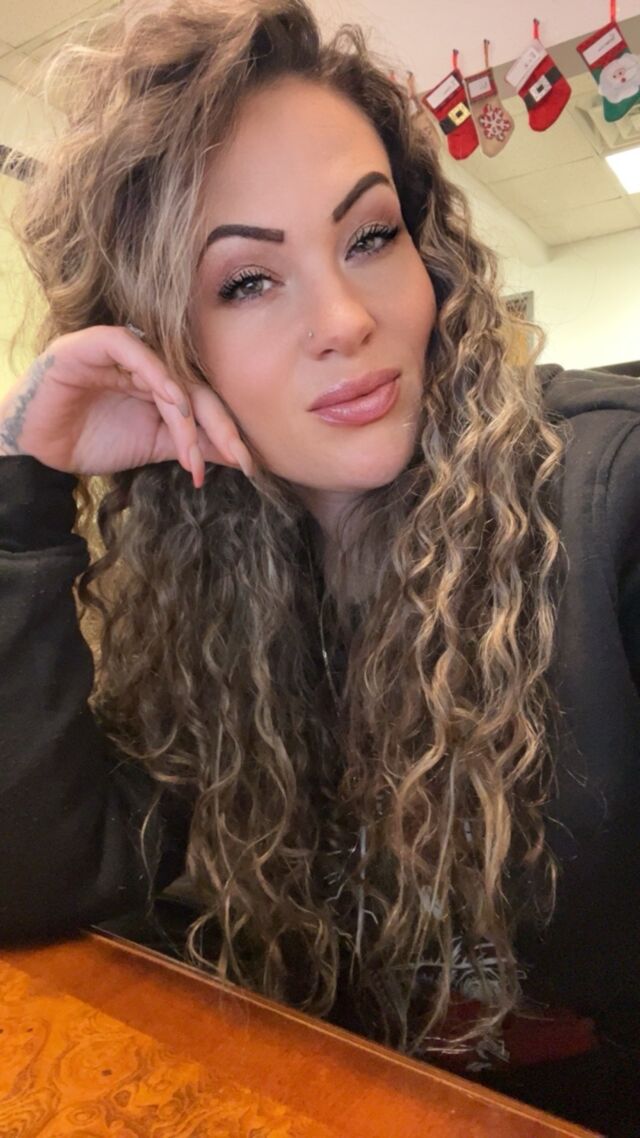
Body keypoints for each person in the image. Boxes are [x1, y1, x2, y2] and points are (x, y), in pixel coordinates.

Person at [0, 0, 639, 1130]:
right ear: (163, 348)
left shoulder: (607, 500)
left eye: (370, 236)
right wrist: (21, 489)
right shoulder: (206, 590)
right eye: (246, 282)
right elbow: (33, 876)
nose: (344, 318)